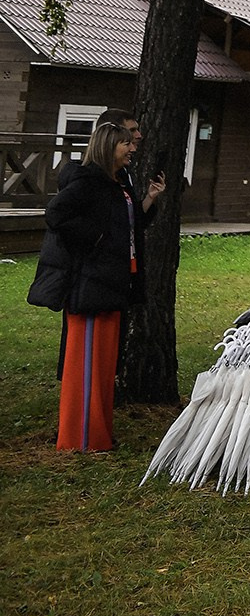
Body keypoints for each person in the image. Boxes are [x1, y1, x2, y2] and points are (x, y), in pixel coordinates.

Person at [29, 111, 162, 451]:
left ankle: (98, 435)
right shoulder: (89, 180)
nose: (132, 148)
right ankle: (80, 439)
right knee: (85, 366)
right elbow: (56, 214)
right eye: (125, 143)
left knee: (103, 366)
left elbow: (127, 227)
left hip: (113, 282)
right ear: (107, 146)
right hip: (90, 285)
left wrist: (148, 199)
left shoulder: (119, 182)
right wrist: (96, 240)